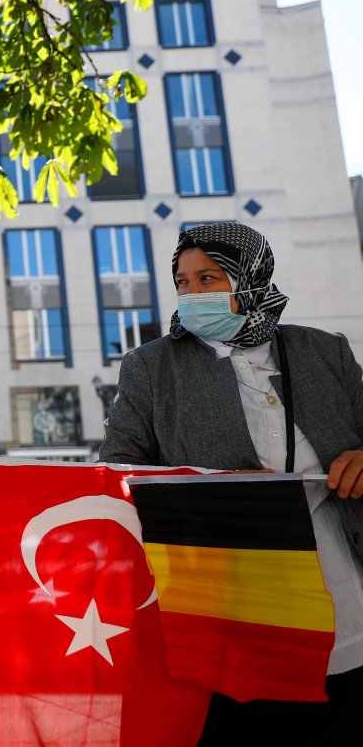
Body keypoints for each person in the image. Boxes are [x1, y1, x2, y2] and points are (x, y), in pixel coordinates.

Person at [99, 222, 363, 745]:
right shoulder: (151, 367)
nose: (192, 294)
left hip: (341, 594)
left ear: (253, 278)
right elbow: (118, 471)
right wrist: (212, 487)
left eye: (209, 278)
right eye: (182, 282)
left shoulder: (323, 352)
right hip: (226, 608)